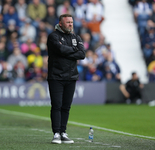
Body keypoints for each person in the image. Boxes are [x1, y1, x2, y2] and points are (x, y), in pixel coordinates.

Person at [47, 14, 85, 144]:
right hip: (56, 76)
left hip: (71, 77)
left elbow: (82, 54)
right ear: (61, 23)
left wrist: (68, 51)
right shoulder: (53, 36)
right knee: (56, 105)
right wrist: (73, 51)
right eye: (68, 22)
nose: (70, 24)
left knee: (66, 107)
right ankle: (56, 133)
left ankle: (63, 132)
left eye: (71, 22)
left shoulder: (76, 37)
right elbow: (59, 49)